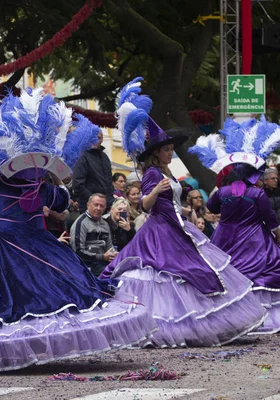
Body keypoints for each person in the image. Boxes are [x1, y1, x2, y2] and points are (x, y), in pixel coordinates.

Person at [0, 89, 157, 371]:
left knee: (11, 306)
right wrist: (53, 177)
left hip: (8, 253)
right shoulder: (41, 187)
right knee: (61, 298)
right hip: (43, 247)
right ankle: (47, 348)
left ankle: (25, 351)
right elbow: (64, 202)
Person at [101, 77, 266, 347]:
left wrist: (190, 211)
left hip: (177, 225)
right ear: (156, 154)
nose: (170, 153)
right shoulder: (153, 173)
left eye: (170, 150)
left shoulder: (166, 172)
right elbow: (144, 204)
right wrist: (155, 191)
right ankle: (161, 328)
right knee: (166, 276)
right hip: (160, 232)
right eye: (167, 150)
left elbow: (174, 202)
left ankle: (194, 325)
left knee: (187, 274)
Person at [190, 116, 280, 334]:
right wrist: (277, 233)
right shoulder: (257, 193)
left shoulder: (222, 191)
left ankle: (231, 318)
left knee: (228, 274)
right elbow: (269, 218)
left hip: (225, 238)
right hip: (254, 240)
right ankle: (261, 317)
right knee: (261, 272)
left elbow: (211, 207)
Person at [69, 193, 117, 277]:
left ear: (105, 208)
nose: (98, 208)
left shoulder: (105, 224)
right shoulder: (81, 223)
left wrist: (115, 254)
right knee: (113, 275)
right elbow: (78, 251)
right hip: (86, 265)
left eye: (101, 206)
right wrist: (102, 257)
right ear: (88, 205)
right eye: (96, 205)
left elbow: (109, 248)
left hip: (102, 263)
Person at [72, 130, 115, 213]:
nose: (95, 140)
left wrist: (110, 200)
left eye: (98, 138)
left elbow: (109, 183)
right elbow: (77, 184)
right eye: (93, 137)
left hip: (105, 206)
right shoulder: (83, 156)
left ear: (102, 140)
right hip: (88, 206)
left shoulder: (105, 157)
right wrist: (94, 200)